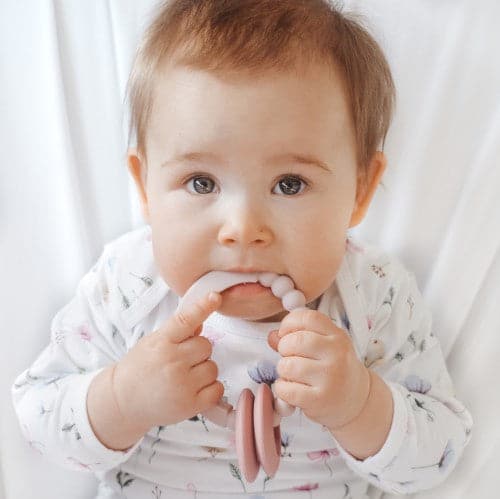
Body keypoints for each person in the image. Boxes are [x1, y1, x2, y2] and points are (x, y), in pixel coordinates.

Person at [12, 0, 473, 497]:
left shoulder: (374, 295)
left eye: (290, 184)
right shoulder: (128, 284)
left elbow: (437, 456)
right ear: (145, 186)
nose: (243, 228)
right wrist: (122, 400)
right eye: (201, 182)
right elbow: (39, 420)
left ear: (360, 191)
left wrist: (361, 405)